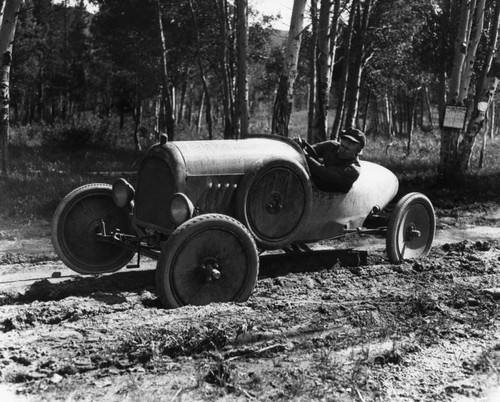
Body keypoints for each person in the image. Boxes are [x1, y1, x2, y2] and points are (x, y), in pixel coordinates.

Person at [300, 128, 366, 193]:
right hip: (313, 189)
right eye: (342, 145)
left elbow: (323, 173)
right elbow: (308, 150)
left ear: (357, 151)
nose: (342, 150)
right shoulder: (331, 146)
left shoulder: (353, 170)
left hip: (331, 198)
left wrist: (303, 154)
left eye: (347, 149)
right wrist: (300, 146)